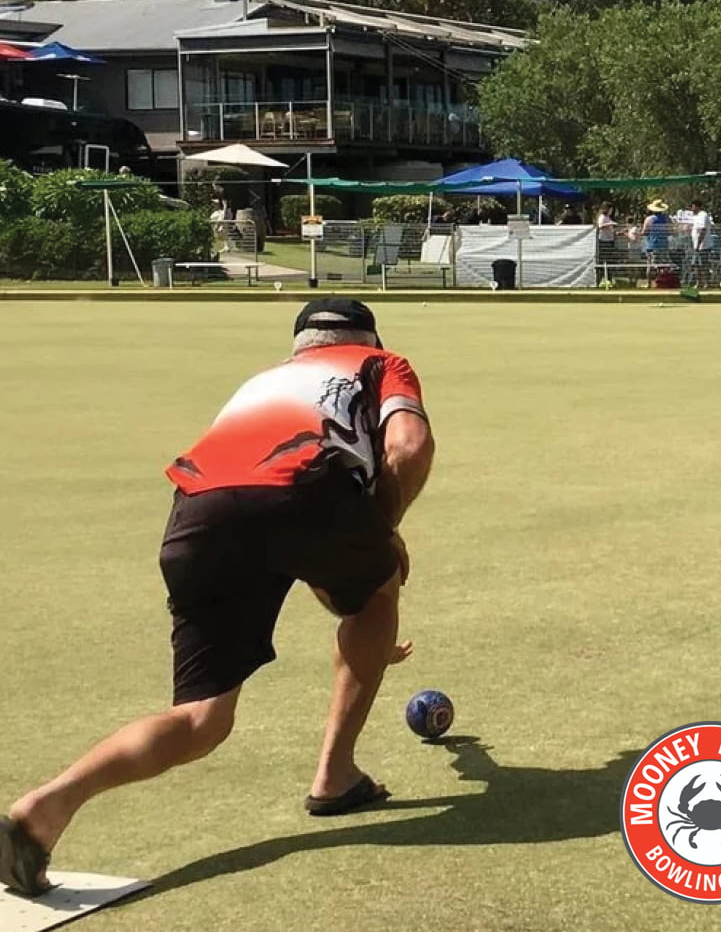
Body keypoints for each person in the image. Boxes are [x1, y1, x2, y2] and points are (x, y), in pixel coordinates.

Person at [0, 299, 435, 897]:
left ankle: (47, 806)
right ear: (370, 340)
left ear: (298, 347)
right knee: (378, 590)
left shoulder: (265, 381)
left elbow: (267, 515)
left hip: (196, 512)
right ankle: (334, 776)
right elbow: (407, 448)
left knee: (200, 720)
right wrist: (383, 533)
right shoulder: (381, 364)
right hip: (307, 491)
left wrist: (353, 587)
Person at [640, 199, 673, 278]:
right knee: (664, 265)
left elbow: (644, 232)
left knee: (650, 265)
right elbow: (670, 232)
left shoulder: (649, 219)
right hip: (664, 245)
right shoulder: (667, 219)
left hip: (652, 245)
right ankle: (663, 281)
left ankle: (649, 282)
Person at [687, 199, 714, 288]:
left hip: (703, 246)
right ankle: (698, 283)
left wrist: (699, 244)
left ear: (697, 206)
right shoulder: (696, 216)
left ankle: (707, 283)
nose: (691, 208)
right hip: (696, 246)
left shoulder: (703, 215)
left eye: (692, 206)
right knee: (696, 265)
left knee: (703, 264)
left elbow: (703, 230)